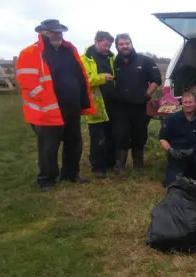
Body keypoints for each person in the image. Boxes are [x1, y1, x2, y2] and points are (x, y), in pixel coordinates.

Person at [15, 19, 96, 191]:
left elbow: (79, 75)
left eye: (59, 31)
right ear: (43, 33)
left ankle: (70, 173)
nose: (58, 34)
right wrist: (46, 101)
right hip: (48, 109)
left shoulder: (69, 49)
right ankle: (46, 179)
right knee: (48, 147)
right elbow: (28, 83)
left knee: (74, 142)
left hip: (72, 106)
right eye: (53, 31)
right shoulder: (30, 52)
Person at [111, 33, 162, 171]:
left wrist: (146, 95)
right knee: (121, 134)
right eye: (121, 44)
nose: (125, 46)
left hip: (140, 106)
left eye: (127, 43)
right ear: (117, 47)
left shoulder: (144, 61)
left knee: (139, 135)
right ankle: (119, 165)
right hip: (120, 107)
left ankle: (138, 165)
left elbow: (156, 79)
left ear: (131, 44)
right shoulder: (113, 62)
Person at [81, 31, 116, 178]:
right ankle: (97, 166)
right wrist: (101, 78)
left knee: (110, 135)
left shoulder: (111, 58)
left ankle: (110, 163)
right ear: (96, 42)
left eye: (109, 45)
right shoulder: (84, 59)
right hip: (95, 104)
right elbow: (82, 80)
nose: (107, 48)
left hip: (112, 103)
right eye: (105, 44)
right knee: (97, 137)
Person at [159, 91, 196, 186]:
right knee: (173, 184)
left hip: (194, 154)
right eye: (185, 102)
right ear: (181, 103)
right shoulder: (171, 119)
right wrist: (170, 150)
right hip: (177, 154)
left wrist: (193, 150)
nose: (188, 105)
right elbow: (163, 138)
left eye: (190, 102)